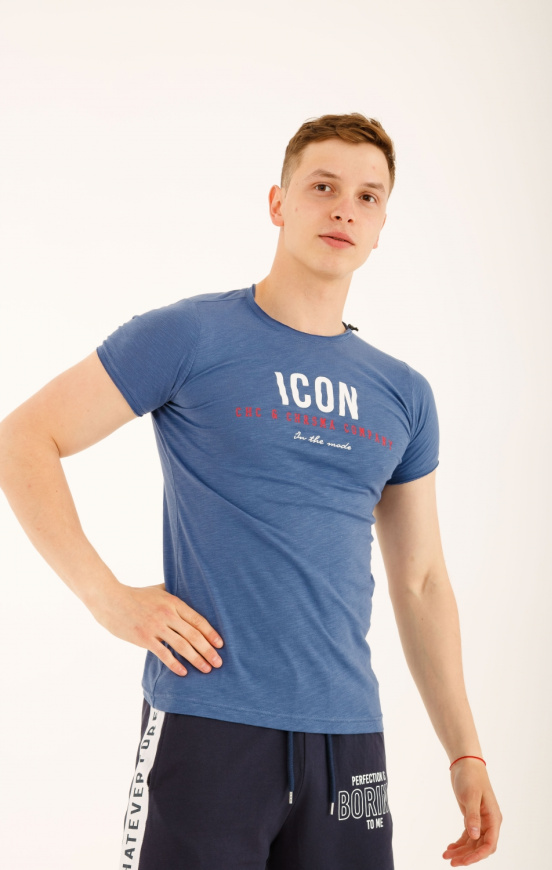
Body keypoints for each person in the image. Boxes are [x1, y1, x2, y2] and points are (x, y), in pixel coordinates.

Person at [0, 112, 502, 869]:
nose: (344, 209)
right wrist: (107, 598)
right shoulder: (188, 336)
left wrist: (466, 753)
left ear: (380, 227)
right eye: (323, 186)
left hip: (347, 738)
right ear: (278, 202)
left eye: (367, 197)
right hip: (209, 724)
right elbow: (23, 439)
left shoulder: (403, 394)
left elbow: (422, 580)